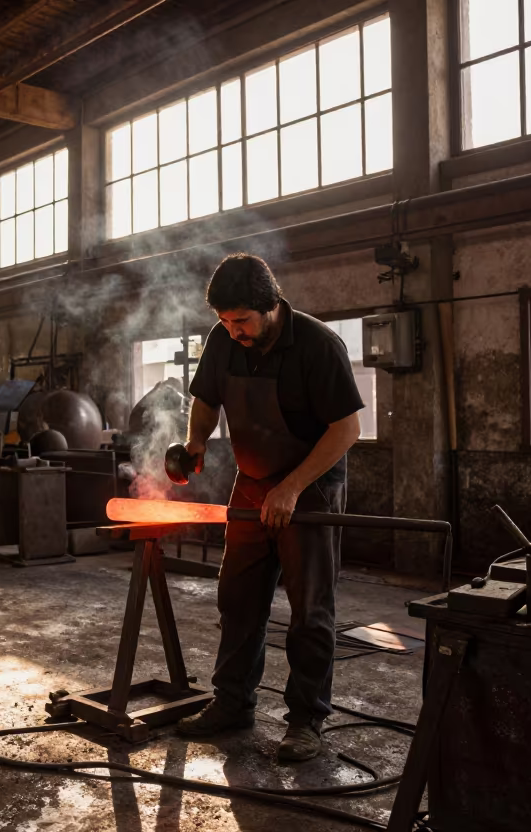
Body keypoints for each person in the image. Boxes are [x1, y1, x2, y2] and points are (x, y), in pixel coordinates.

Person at [176, 253, 363, 763]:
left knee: (309, 612)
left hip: (312, 488)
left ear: (271, 305)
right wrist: (196, 441)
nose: (232, 331)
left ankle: (305, 722)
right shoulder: (222, 339)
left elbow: (347, 429)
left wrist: (294, 488)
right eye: (224, 321)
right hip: (253, 482)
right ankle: (232, 703)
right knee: (238, 600)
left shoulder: (318, 345)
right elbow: (207, 398)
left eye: (241, 321)